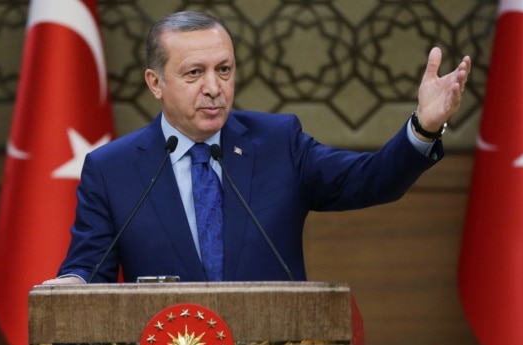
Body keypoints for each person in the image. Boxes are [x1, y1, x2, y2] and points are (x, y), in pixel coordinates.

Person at [44, 10, 471, 285]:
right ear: (156, 83)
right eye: (194, 73)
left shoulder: (278, 143)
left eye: (224, 70)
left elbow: (371, 180)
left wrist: (423, 127)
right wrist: (73, 284)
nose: (214, 88)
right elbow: (89, 270)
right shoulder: (111, 168)